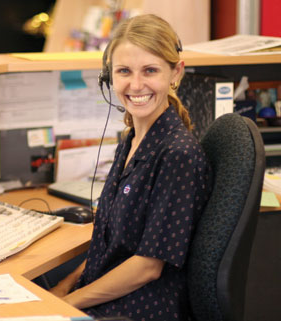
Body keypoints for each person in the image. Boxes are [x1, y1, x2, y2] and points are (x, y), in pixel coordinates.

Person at [49, 14, 213, 321]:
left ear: (175, 73)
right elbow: (109, 247)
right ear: (109, 76)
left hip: (141, 308)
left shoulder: (177, 154)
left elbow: (148, 267)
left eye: (150, 70)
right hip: (110, 294)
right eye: (124, 71)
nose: (135, 85)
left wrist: (68, 302)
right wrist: (62, 287)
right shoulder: (132, 139)